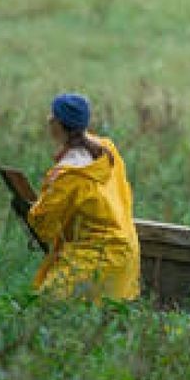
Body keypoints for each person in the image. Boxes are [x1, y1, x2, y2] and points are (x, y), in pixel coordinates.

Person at [26, 93, 140, 301]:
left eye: (51, 116)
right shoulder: (107, 150)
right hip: (126, 249)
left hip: (95, 256)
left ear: (57, 124)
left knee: (46, 307)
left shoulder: (68, 175)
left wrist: (38, 204)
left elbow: (43, 228)